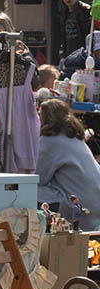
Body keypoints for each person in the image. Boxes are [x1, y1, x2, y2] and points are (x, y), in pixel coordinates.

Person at [36, 98, 100, 230]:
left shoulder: (49, 141)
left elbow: (39, 178)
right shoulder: (76, 138)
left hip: (79, 203)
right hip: (95, 197)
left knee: (27, 190)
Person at [55, 0, 93, 64]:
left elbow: (90, 35)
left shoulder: (86, 10)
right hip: (68, 54)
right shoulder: (63, 12)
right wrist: (62, 55)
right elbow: (62, 36)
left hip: (84, 54)